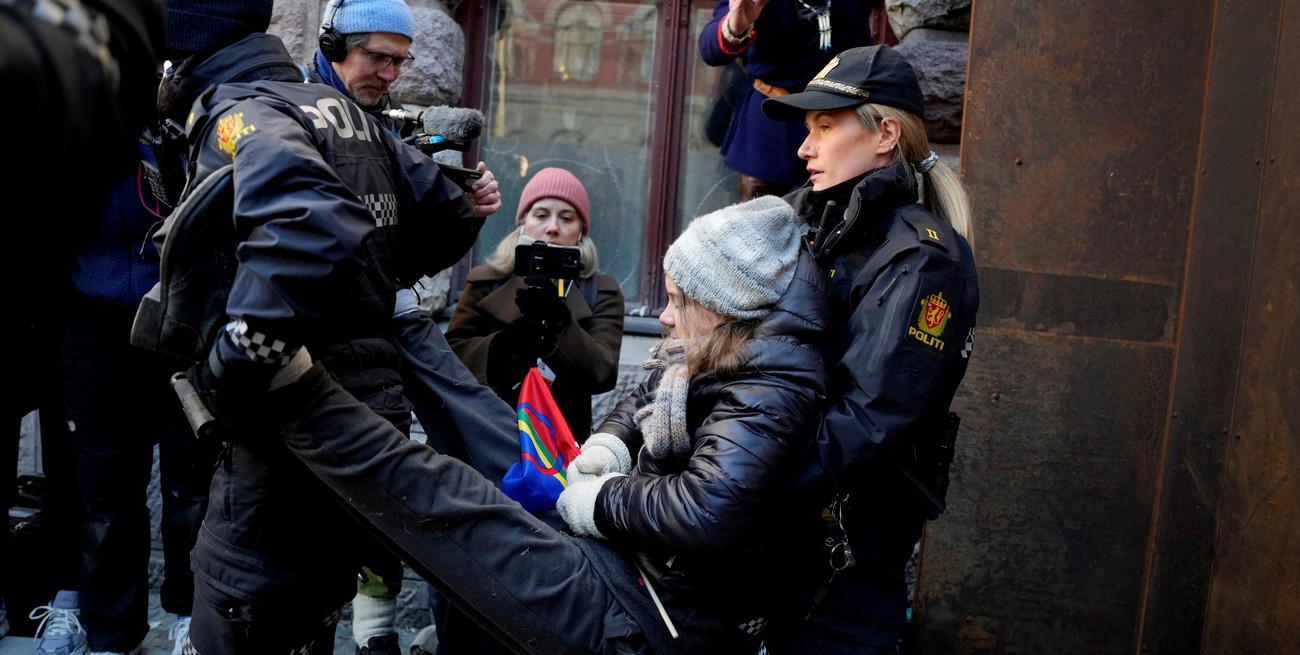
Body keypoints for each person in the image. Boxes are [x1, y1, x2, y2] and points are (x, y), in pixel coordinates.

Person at [226, 194, 832, 654]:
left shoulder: (772, 384)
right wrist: (608, 447)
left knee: (447, 497)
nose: (667, 317)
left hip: (644, 615)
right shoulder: (720, 348)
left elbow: (705, 510)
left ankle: (298, 393)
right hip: (627, 562)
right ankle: (401, 318)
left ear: (724, 305)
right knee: (486, 425)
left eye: (678, 301)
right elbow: (643, 395)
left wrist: (596, 499)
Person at [150, 0, 501, 652]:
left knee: (241, 605)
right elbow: (443, 216)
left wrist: (235, 361)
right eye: (379, 58)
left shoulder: (244, 113)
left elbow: (308, 225)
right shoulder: (347, 116)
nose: (389, 73)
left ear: (185, 53)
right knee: (312, 610)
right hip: (367, 418)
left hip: (288, 432)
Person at [757, 45, 980, 653]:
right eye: (808, 129)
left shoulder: (923, 258)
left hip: (841, 571)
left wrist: (737, 481)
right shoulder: (805, 220)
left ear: (885, 135)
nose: (805, 148)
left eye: (825, 127)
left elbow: (867, 421)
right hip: (775, 546)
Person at [2, 0, 163, 647]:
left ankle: (91, 605)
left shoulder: (156, 108)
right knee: (86, 474)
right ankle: (67, 605)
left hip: (115, 312)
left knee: (98, 473)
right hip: (61, 309)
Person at [54, 143, 211, 655]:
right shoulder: (78, 131)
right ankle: (111, 633)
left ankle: (193, 620)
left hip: (182, 320)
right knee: (105, 491)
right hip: (94, 324)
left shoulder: (186, 128)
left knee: (192, 485)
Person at [446, 167, 625, 441]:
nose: (552, 228)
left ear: (581, 231)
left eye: (567, 218)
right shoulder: (485, 282)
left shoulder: (601, 292)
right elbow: (450, 358)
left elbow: (603, 373)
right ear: (523, 223)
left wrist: (561, 324)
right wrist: (500, 346)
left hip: (558, 444)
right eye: (541, 215)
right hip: (484, 436)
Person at [698, 0, 873, 201]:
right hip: (772, 121)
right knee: (760, 215)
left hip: (837, 119)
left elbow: (863, 49)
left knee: (838, 211)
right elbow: (710, 48)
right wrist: (734, 27)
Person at [308, 0, 417, 137]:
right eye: (377, 57)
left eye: (399, 61)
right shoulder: (289, 104)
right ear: (334, 50)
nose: (389, 76)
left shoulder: (397, 122)